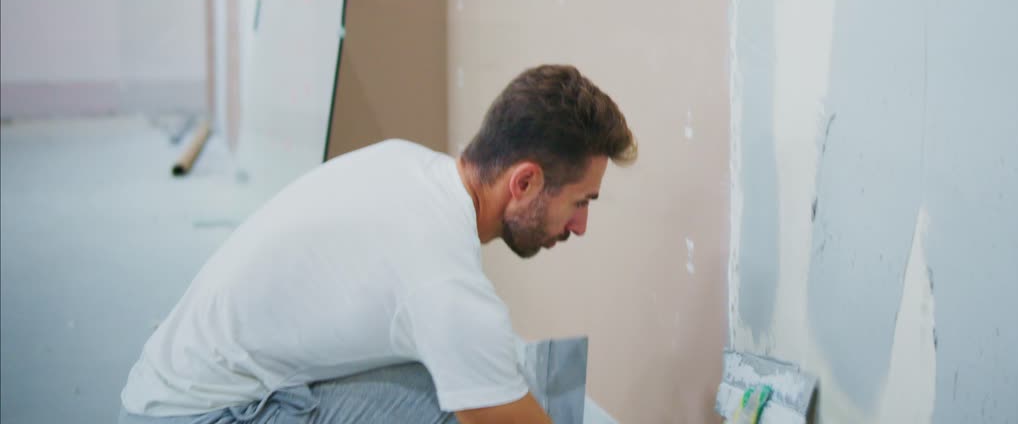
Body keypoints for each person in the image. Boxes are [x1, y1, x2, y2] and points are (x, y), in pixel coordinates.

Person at [118, 64, 636, 424]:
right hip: (202, 417)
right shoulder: (443, 279)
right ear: (524, 183)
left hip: (167, 390)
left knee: (472, 367)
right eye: (580, 202)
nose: (580, 226)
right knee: (461, 407)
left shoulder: (405, 162)